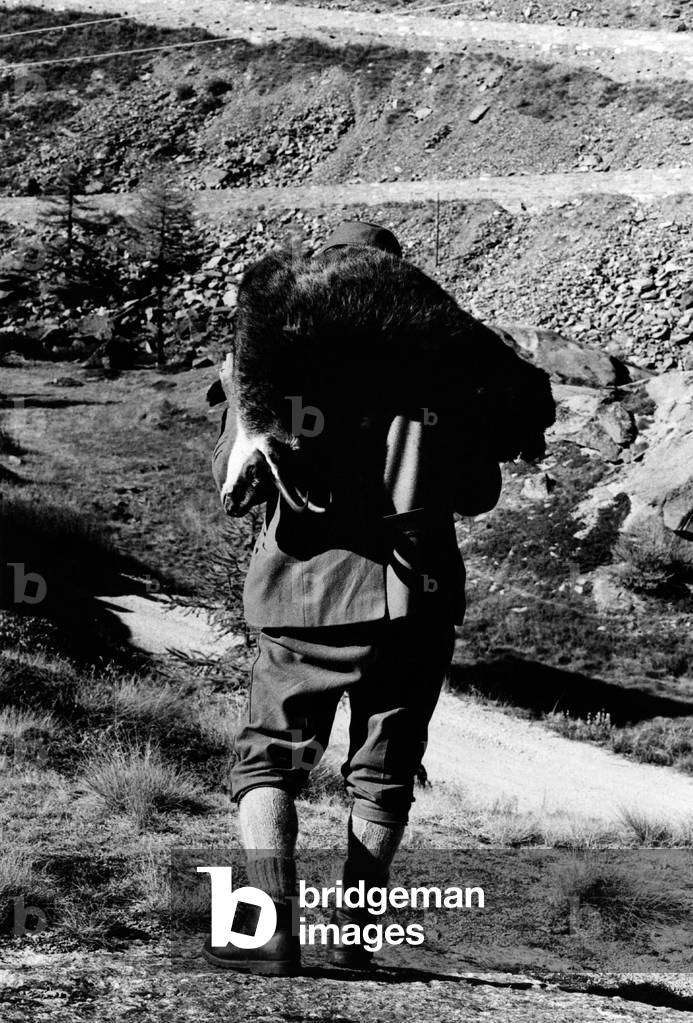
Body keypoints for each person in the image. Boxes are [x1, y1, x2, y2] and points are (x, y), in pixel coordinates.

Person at [207, 221, 503, 975]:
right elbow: (477, 489)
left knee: (269, 760)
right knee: (384, 770)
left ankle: (267, 932)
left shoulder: (260, 362)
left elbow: (232, 487)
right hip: (412, 596)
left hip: (297, 591)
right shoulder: (438, 368)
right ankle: (354, 936)